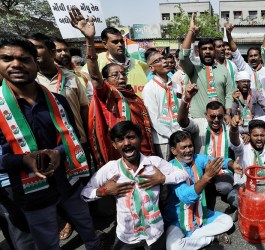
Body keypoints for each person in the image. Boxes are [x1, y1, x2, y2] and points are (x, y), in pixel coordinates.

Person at [0, 32, 98, 250]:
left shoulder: (58, 101)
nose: (16, 64)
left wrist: (58, 153)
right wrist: (24, 161)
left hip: (67, 178)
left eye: (24, 59)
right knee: (47, 241)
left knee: (86, 224)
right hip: (30, 190)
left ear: (36, 63)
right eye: (7, 59)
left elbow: (72, 139)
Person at [70, 7, 155, 167]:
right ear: (107, 79)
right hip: (119, 155)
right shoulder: (107, 93)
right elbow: (94, 76)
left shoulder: (133, 96)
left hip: (143, 151)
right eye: (115, 75)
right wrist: (89, 40)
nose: (121, 77)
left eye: (123, 74)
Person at [82, 121, 188, 249]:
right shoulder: (111, 169)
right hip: (127, 236)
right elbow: (85, 194)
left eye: (131, 137)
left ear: (140, 139)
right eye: (120, 140)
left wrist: (163, 178)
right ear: (114, 145)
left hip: (154, 233)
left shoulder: (154, 163)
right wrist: (104, 191)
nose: (126, 143)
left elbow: (183, 174)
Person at [164, 131, 241, 250]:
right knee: (173, 247)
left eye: (190, 146)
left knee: (228, 221)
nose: (188, 150)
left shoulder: (197, 159)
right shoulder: (170, 168)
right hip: (178, 221)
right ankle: (211, 238)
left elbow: (217, 161)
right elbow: (185, 197)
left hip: (201, 214)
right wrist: (206, 177)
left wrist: (231, 165)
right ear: (174, 150)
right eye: (184, 147)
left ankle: (192, 239)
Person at [27, 33, 90, 162]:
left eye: (37, 47)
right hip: (47, 148)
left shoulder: (72, 77)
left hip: (77, 142)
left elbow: (84, 108)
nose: (32, 52)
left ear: (51, 52)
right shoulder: (28, 82)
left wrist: (88, 138)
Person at [178, 83, 242, 209]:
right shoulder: (199, 124)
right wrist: (187, 99)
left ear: (224, 116)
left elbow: (236, 143)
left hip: (222, 169)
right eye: (212, 116)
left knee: (225, 187)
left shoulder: (228, 126)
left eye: (220, 116)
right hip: (201, 170)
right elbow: (182, 121)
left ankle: (215, 195)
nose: (216, 120)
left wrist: (234, 129)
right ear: (205, 115)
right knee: (201, 187)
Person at [227, 120, 265, 219]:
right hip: (244, 188)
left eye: (262, 135)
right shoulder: (242, 147)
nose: (259, 138)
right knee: (231, 196)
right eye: (255, 135)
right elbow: (234, 140)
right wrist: (234, 128)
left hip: (264, 187)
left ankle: (247, 209)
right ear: (249, 135)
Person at [179, 13, 233, 122]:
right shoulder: (193, 69)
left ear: (215, 51)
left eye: (210, 48)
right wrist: (191, 31)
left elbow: (229, 94)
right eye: (204, 49)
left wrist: (227, 113)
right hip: (198, 119)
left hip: (220, 120)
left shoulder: (223, 70)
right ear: (198, 52)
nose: (207, 51)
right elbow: (183, 56)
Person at [82, 26, 148, 97]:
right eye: (115, 42)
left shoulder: (139, 63)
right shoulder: (98, 61)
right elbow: (90, 84)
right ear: (105, 44)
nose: (120, 44)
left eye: (121, 41)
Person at [142, 49, 181, 160]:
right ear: (151, 67)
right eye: (158, 60)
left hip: (179, 135)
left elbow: (180, 108)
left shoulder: (176, 85)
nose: (164, 62)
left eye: (164, 58)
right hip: (162, 140)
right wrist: (171, 135)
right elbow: (153, 118)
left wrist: (180, 132)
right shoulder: (149, 88)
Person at [226, 24, 265, 101]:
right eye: (251, 56)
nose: (253, 58)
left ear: (260, 57)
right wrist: (228, 34)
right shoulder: (244, 67)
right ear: (248, 58)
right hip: (249, 107)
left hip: (264, 108)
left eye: (255, 55)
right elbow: (235, 52)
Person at [232, 71, 265, 140]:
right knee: (229, 126)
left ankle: (250, 135)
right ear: (237, 83)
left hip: (251, 124)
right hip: (238, 126)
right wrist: (235, 101)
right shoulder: (233, 93)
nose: (246, 84)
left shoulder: (254, 92)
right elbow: (232, 114)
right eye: (243, 81)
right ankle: (246, 136)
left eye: (248, 82)